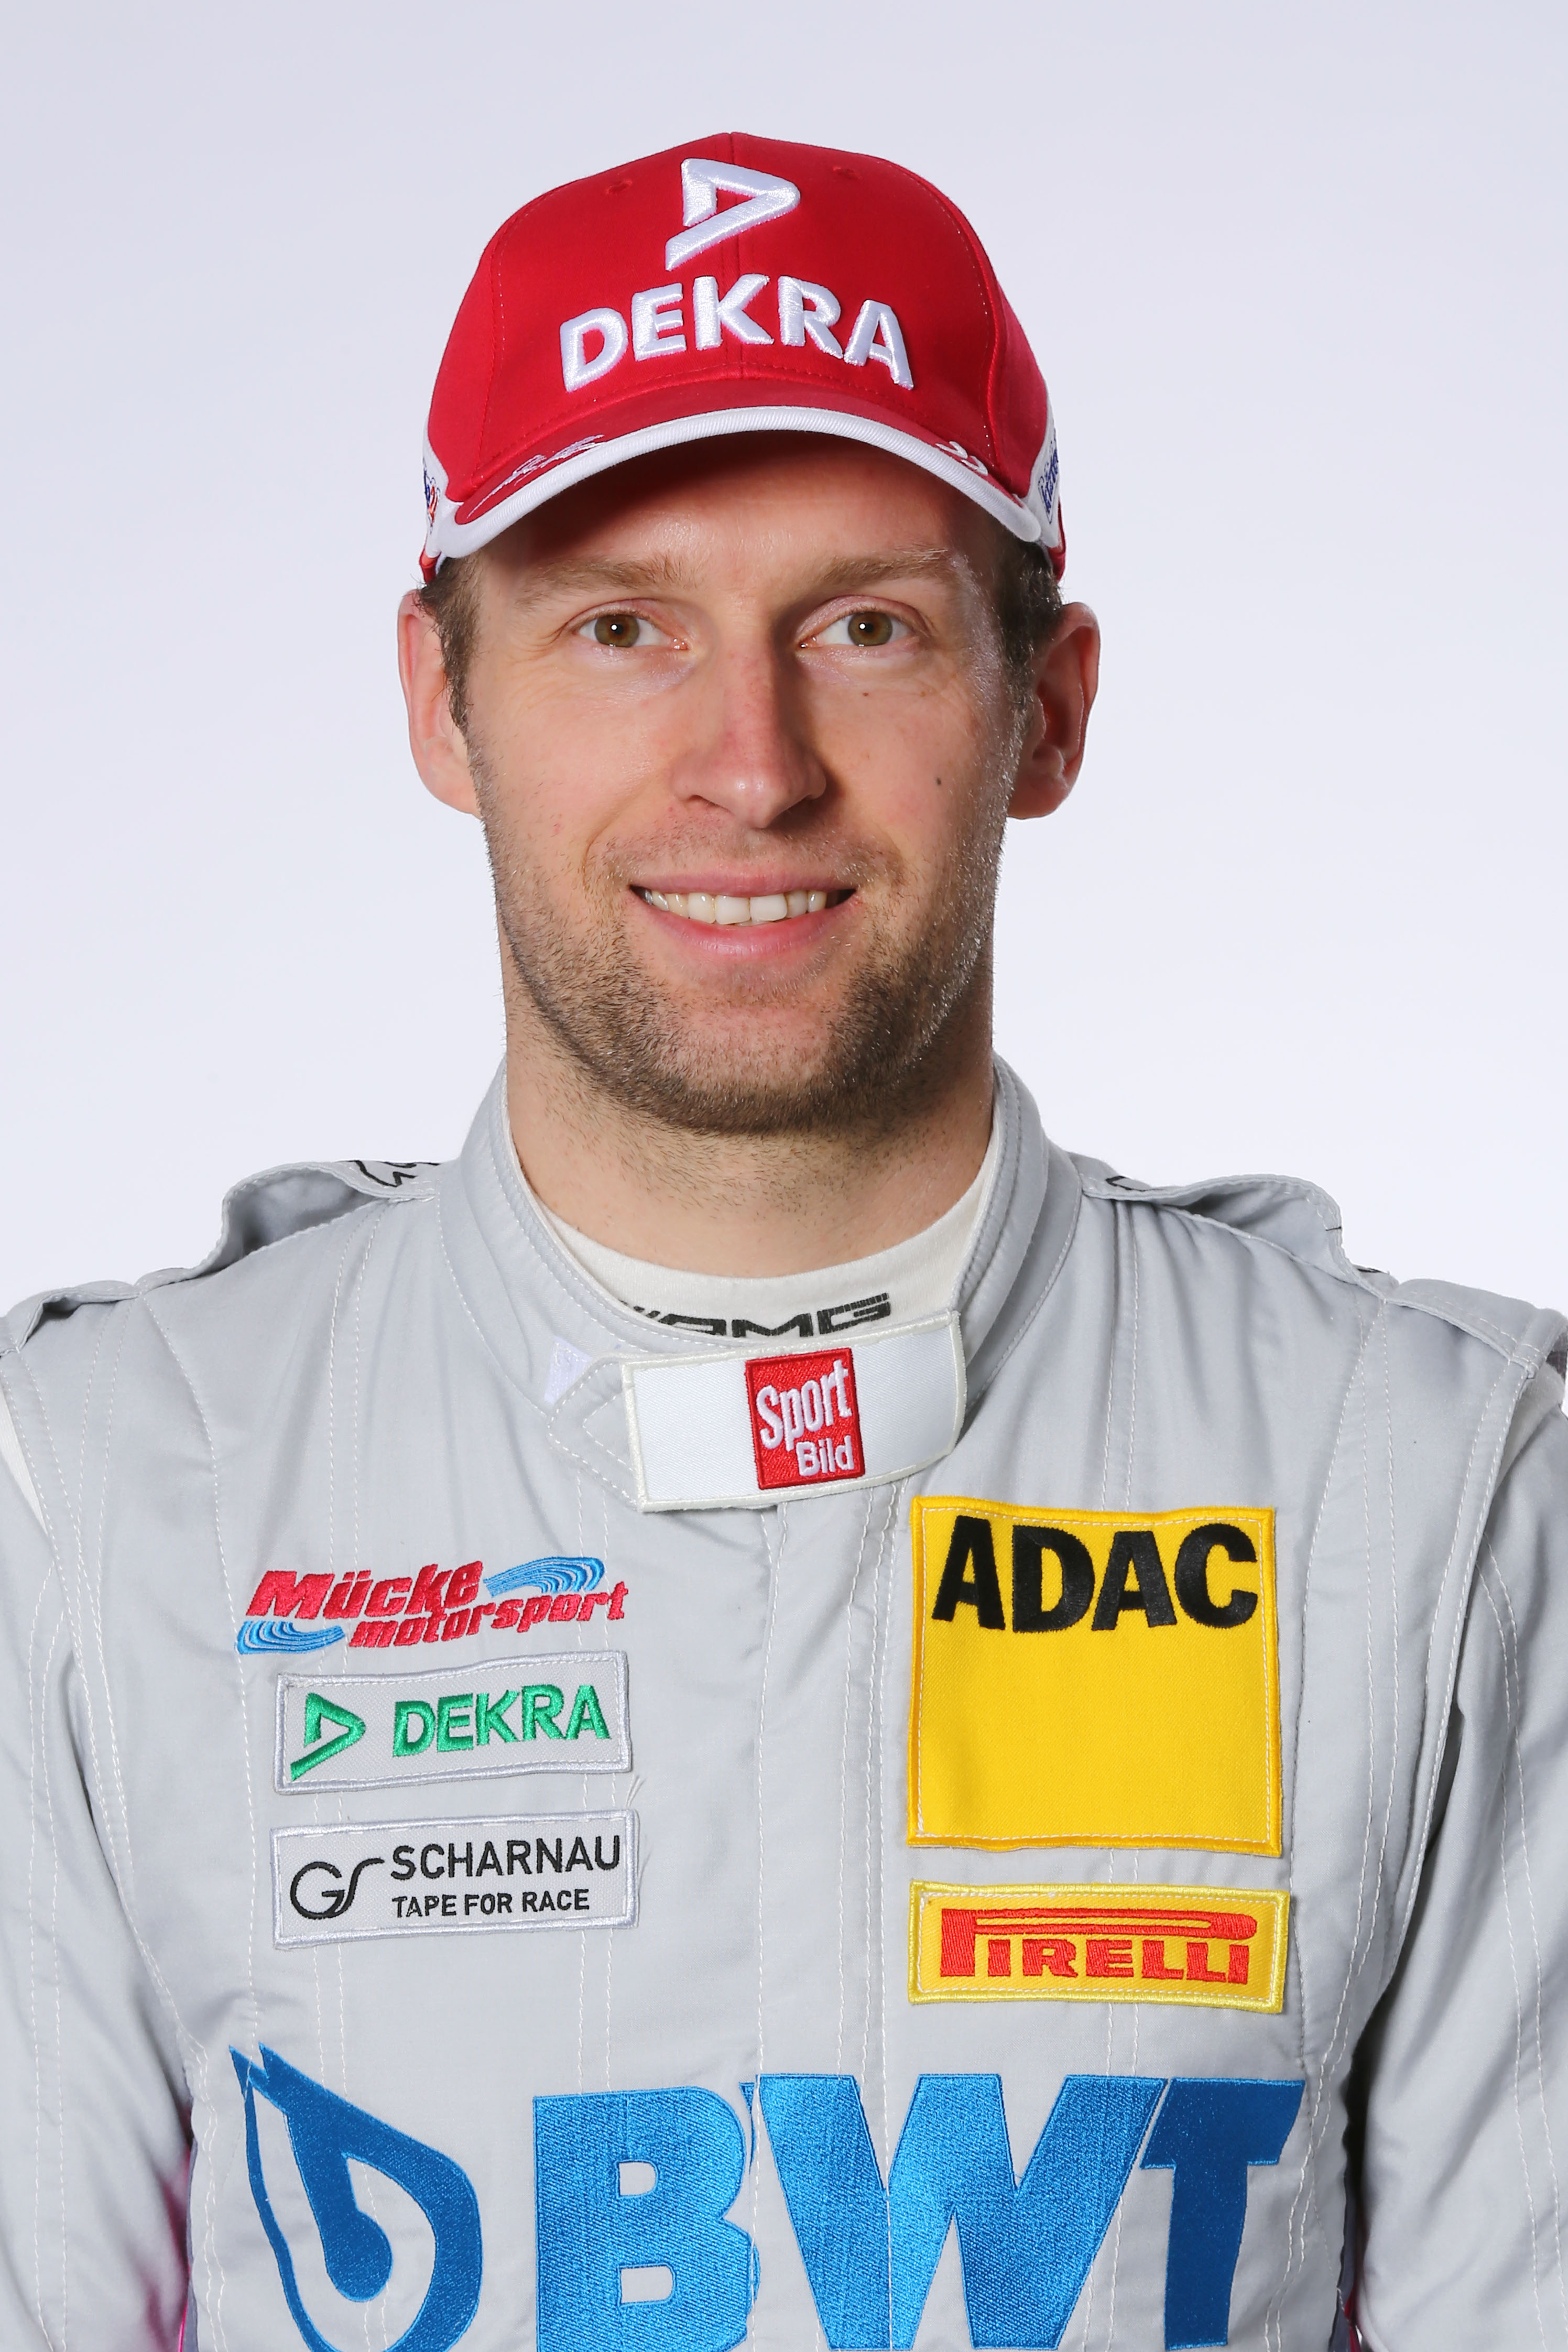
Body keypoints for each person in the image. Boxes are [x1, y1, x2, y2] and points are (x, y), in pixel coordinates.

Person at [0, 129, 1563, 2352]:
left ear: (1046, 708)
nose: (751, 767)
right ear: (443, 700)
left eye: (864, 627)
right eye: (620, 626)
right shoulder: (95, 1498)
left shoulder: (1432, 1488)